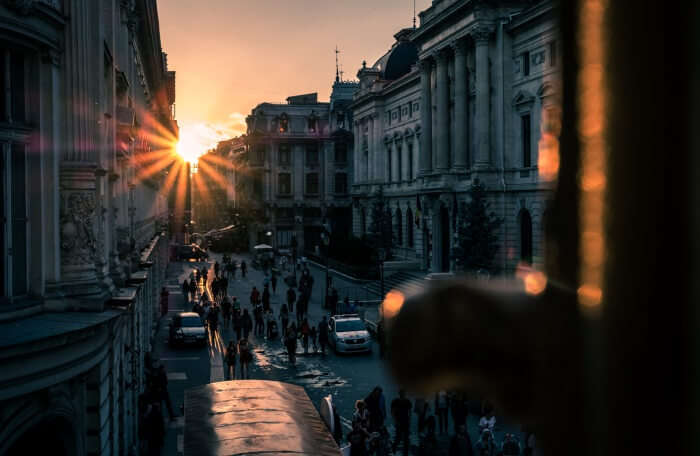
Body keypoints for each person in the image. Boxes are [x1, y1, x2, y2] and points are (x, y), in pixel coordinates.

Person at [391, 390, 412, 455]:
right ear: (400, 394)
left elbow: (410, 411)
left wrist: (409, 420)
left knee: (405, 438)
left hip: (405, 421)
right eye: (402, 393)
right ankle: (394, 447)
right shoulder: (396, 401)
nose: (403, 394)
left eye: (403, 393)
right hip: (399, 421)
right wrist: (395, 420)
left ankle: (405, 453)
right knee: (399, 437)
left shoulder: (407, 401)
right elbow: (393, 411)